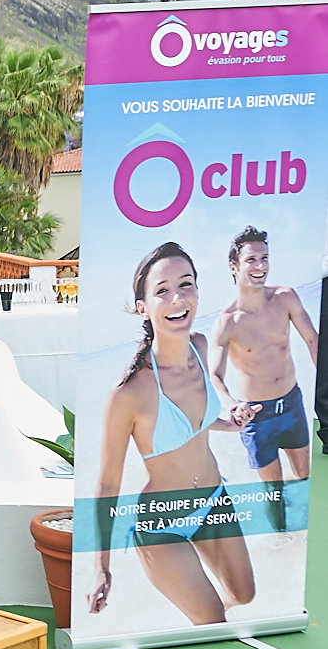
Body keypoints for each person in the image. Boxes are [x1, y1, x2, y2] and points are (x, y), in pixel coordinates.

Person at [90, 242, 255, 626]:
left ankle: (193, 613)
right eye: (162, 290)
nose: (177, 298)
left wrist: (232, 421)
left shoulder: (200, 347)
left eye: (186, 284)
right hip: (161, 522)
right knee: (214, 622)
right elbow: (107, 484)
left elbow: (195, 422)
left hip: (215, 500)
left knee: (244, 596)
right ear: (143, 307)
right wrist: (101, 566)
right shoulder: (128, 394)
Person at [208, 227, 318, 530]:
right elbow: (215, 375)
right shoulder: (227, 322)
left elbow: (313, 341)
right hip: (257, 416)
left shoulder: (286, 297)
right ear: (234, 267)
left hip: (292, 404)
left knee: (306, 480)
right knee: (274, 494)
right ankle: (282, 541)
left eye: (264, 258)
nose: (260, 266)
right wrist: (231, 405)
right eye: (251, 260)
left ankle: (308, 546)